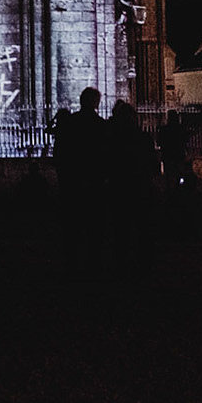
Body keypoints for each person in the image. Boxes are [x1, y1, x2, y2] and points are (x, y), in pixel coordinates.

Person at [52, 86, 110, 271]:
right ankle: (94, 263)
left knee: (72, 226)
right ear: (96, 103)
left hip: (72, 182)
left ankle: (72, 263)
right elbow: (107, 155)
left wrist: (64, 176)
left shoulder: (70, 123)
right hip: (95, 182)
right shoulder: (101, 126)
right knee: (94, 226)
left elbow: (59, 153)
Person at [105, 99, 157, 276]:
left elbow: (106, 164)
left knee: (121, 230)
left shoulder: (112, 141)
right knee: (143, 230)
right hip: (141, 188)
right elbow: (154, 165)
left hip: (119, 189)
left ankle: (121, 265)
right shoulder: (144, 138)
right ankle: (144, 265)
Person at [157, 109, 190, 207]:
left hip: (168, 155)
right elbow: (185, 140)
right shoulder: (180, 129)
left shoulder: (165, 129)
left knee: (169, 174)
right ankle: (179, 189)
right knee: (179, 173)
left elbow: (159, 141)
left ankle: (170, 191)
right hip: (178, 154)